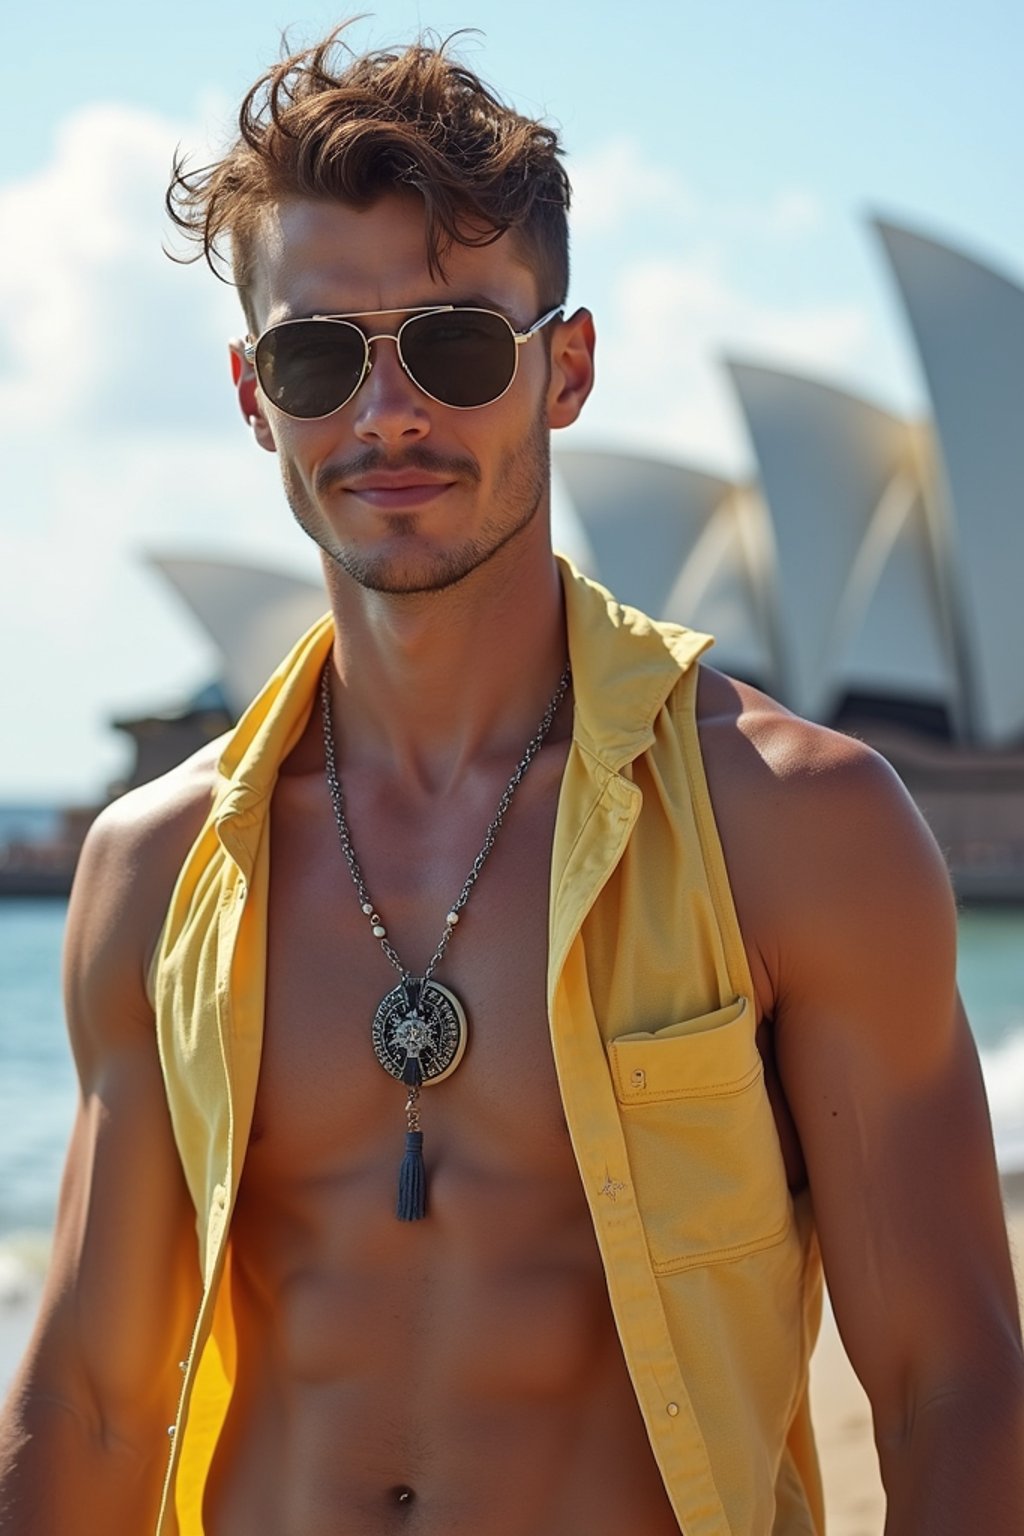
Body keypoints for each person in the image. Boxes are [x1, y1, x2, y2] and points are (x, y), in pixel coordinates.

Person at [1, 24, 1021, 1536]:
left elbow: (954, 1389)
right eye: (317, 354)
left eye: (459, 343)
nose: (387, 412)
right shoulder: (157, 870)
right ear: (249, 392)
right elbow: (87, 1397)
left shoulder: (797, 826)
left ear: (568, 368)